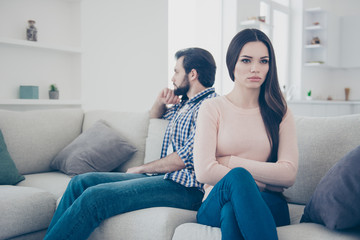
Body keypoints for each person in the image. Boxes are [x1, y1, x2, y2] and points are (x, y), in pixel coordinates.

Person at [44, 47, 217, 240]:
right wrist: (160, 101)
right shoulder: (185, 104)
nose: (172, 78)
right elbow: (153, 115)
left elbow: (186, 157)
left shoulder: (210, 106)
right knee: (80, 182)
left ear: (192, 74)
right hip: (167, 179)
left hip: (188, 188)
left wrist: (141, 168)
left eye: (176, 71)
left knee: (94, 198)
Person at [193, 29, 299, 240]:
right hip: (215, 200)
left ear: (270, 66)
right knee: (238, 178)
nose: (255, 68)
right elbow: (204, 172)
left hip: (268, 201)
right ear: (233, 64)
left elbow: (288, 174)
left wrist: (230, 161)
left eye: (263, 61)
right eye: (246, 60)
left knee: (233, 210)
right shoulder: (212, 107)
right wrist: (251, 181)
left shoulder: (280, 111)